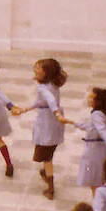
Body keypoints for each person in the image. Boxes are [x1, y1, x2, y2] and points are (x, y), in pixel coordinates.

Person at [10, 57, 67, 198]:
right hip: (50, 124)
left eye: (38, 68)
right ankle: (47, 175)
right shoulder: (52, 85)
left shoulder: (44, 88)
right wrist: (24, 109)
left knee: (46, 158)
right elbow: (39, 102)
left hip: (48, 124)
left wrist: (56, 112)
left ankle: (51, 186)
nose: (35, 70)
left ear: (46, 73)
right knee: (47, 155)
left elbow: (50, 101)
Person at [69, 87, 106, 194]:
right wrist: (72, 122)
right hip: (100, 148)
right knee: (98, 180)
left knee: (95, 181)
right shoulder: (101, 113)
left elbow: (102, 130)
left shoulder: (96, 115)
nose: (88, 98)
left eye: (91, 97)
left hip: (95, 151)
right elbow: (90, 126)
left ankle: (97, 205)